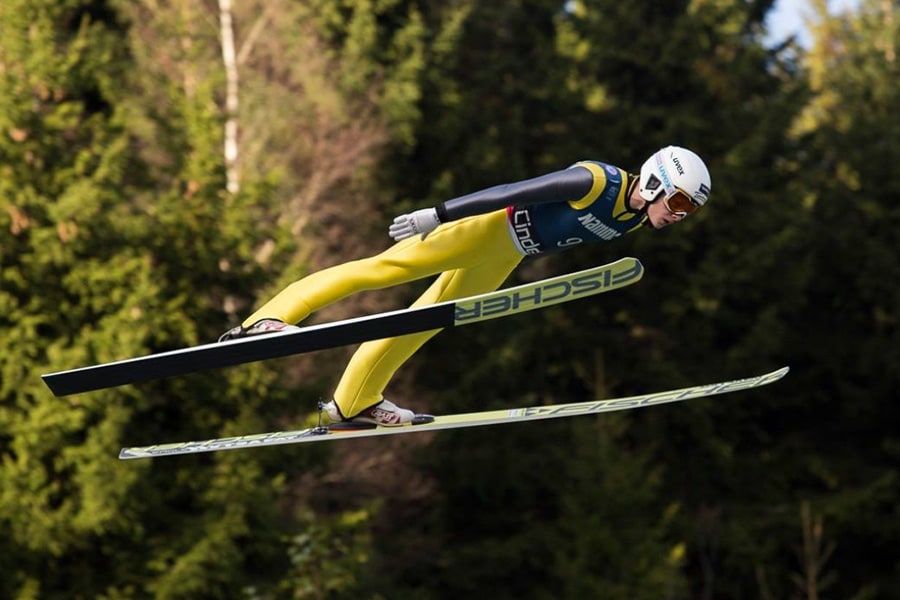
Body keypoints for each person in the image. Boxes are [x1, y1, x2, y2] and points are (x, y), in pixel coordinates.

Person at [220, 146, 711, 427]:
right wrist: (438, 213)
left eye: (689, 212)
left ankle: (353, 404)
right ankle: (264, 320)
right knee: (383, 270)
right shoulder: (595, 182)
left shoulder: (632, 220)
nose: (678, 216)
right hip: (485, 228)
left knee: (424, 322)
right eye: (681, 203)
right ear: (655, 182)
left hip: (508, 254)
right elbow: (513, 191)